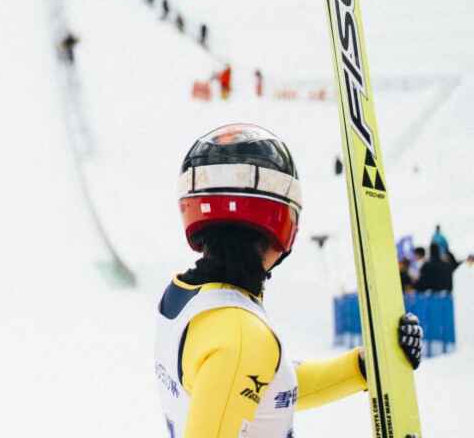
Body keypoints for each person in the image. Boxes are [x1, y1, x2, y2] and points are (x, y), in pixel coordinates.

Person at [156, 123, 423, 438]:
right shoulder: (240, 334)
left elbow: (261, 389)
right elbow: (242, 361)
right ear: (282, 221)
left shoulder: (186, 298)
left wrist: (361, 368)